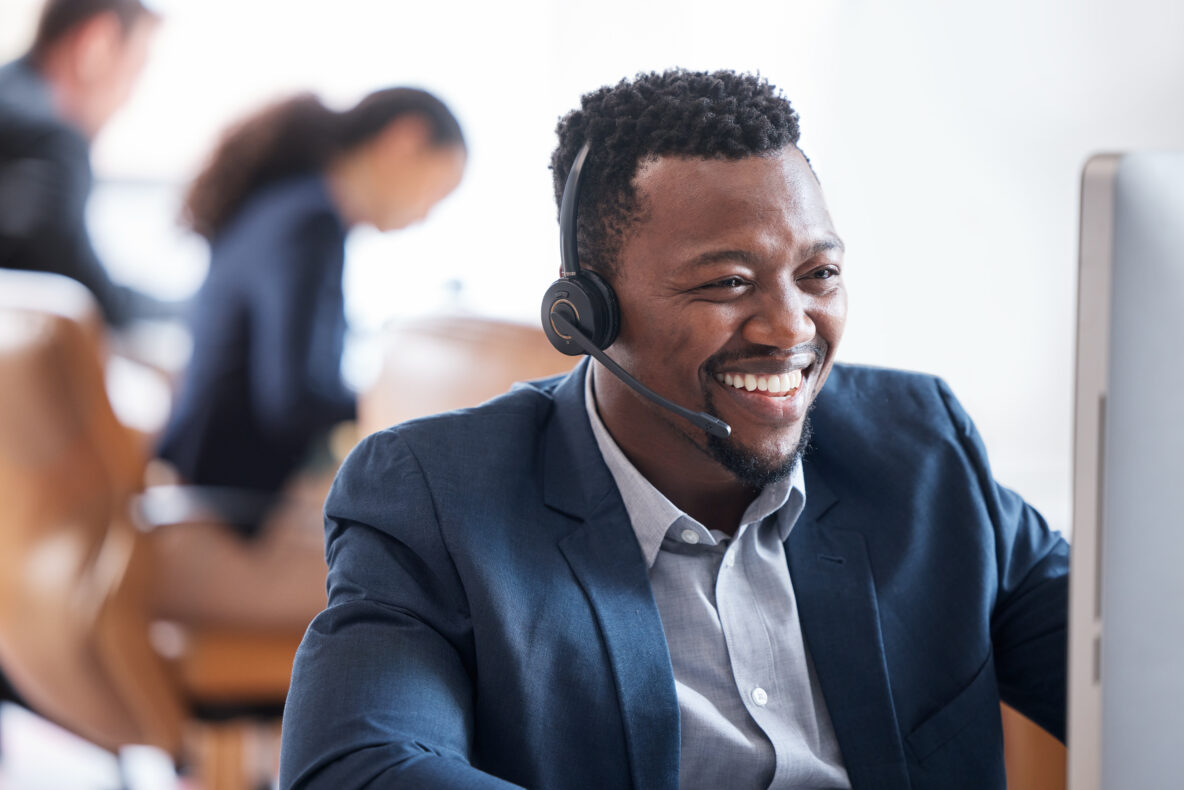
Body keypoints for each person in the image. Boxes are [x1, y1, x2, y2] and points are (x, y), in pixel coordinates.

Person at [279, 70, 1067, 790]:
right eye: (728, 282)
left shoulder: (920, 454)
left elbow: (1130, 663)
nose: (790, 328)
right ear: (586, 313)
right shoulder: (438, 497)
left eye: (818, 274)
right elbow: (360, 767)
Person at [155, 88, 466, 535]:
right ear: (404, 141)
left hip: (203, 484)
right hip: (231, 507)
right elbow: (293, 403)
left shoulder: (284, 205)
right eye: (437, 191)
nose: (425, 216)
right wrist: (398, 408)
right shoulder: (311, 224)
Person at [0, 0, 170, 327]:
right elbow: (95, 300)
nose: (127, 100)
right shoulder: (51, 141)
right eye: (135, 71)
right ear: (97, 46)